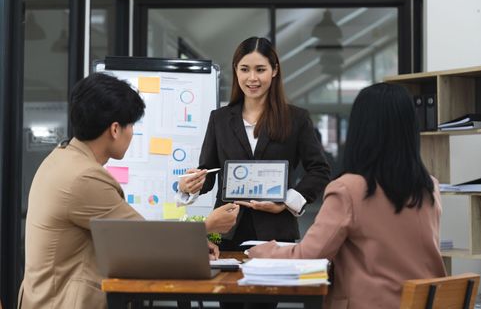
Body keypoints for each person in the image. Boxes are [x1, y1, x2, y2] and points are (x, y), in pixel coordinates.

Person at [18, 73, 239, 309]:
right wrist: (207, 226)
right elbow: (142, 240)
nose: (132, 132)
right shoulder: (84, 177)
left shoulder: (61, 158)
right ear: (115, 129)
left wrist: (191, 244)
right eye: (131, 124)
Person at [248, 83, 447, 309]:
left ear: (361, 129)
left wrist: (261, 251)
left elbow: (308, 257)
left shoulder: (348, 189)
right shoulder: (429, 187)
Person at [179, 36, 331, 251]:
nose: (252, 78)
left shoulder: (296, 119)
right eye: (244, 69)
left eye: (260, 69)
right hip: (225, 231)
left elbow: (320, 169)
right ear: (235, 70)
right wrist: (190, 187)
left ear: (274, 70)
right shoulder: (219, 119)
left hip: (276, 233)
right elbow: (209, 171)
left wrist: (286, 202)